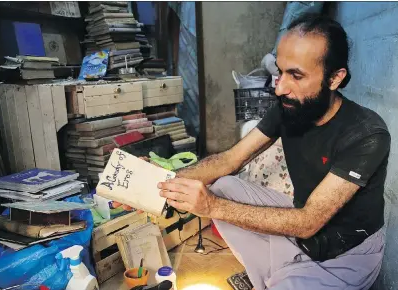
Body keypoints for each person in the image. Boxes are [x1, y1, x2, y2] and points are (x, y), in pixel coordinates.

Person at [114, 15, 390, 290]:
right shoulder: (289, 107)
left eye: (296, 75)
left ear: (334, 79)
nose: (279, 87)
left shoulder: (366, 134)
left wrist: (210, 206)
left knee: (219, 203)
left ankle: (289, 277)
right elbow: (230, 160)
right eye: (280, 72)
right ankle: (279, 276)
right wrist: (157, 182)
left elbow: (308, 222)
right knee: (223, 187)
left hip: (345, 251)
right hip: (302, 220)